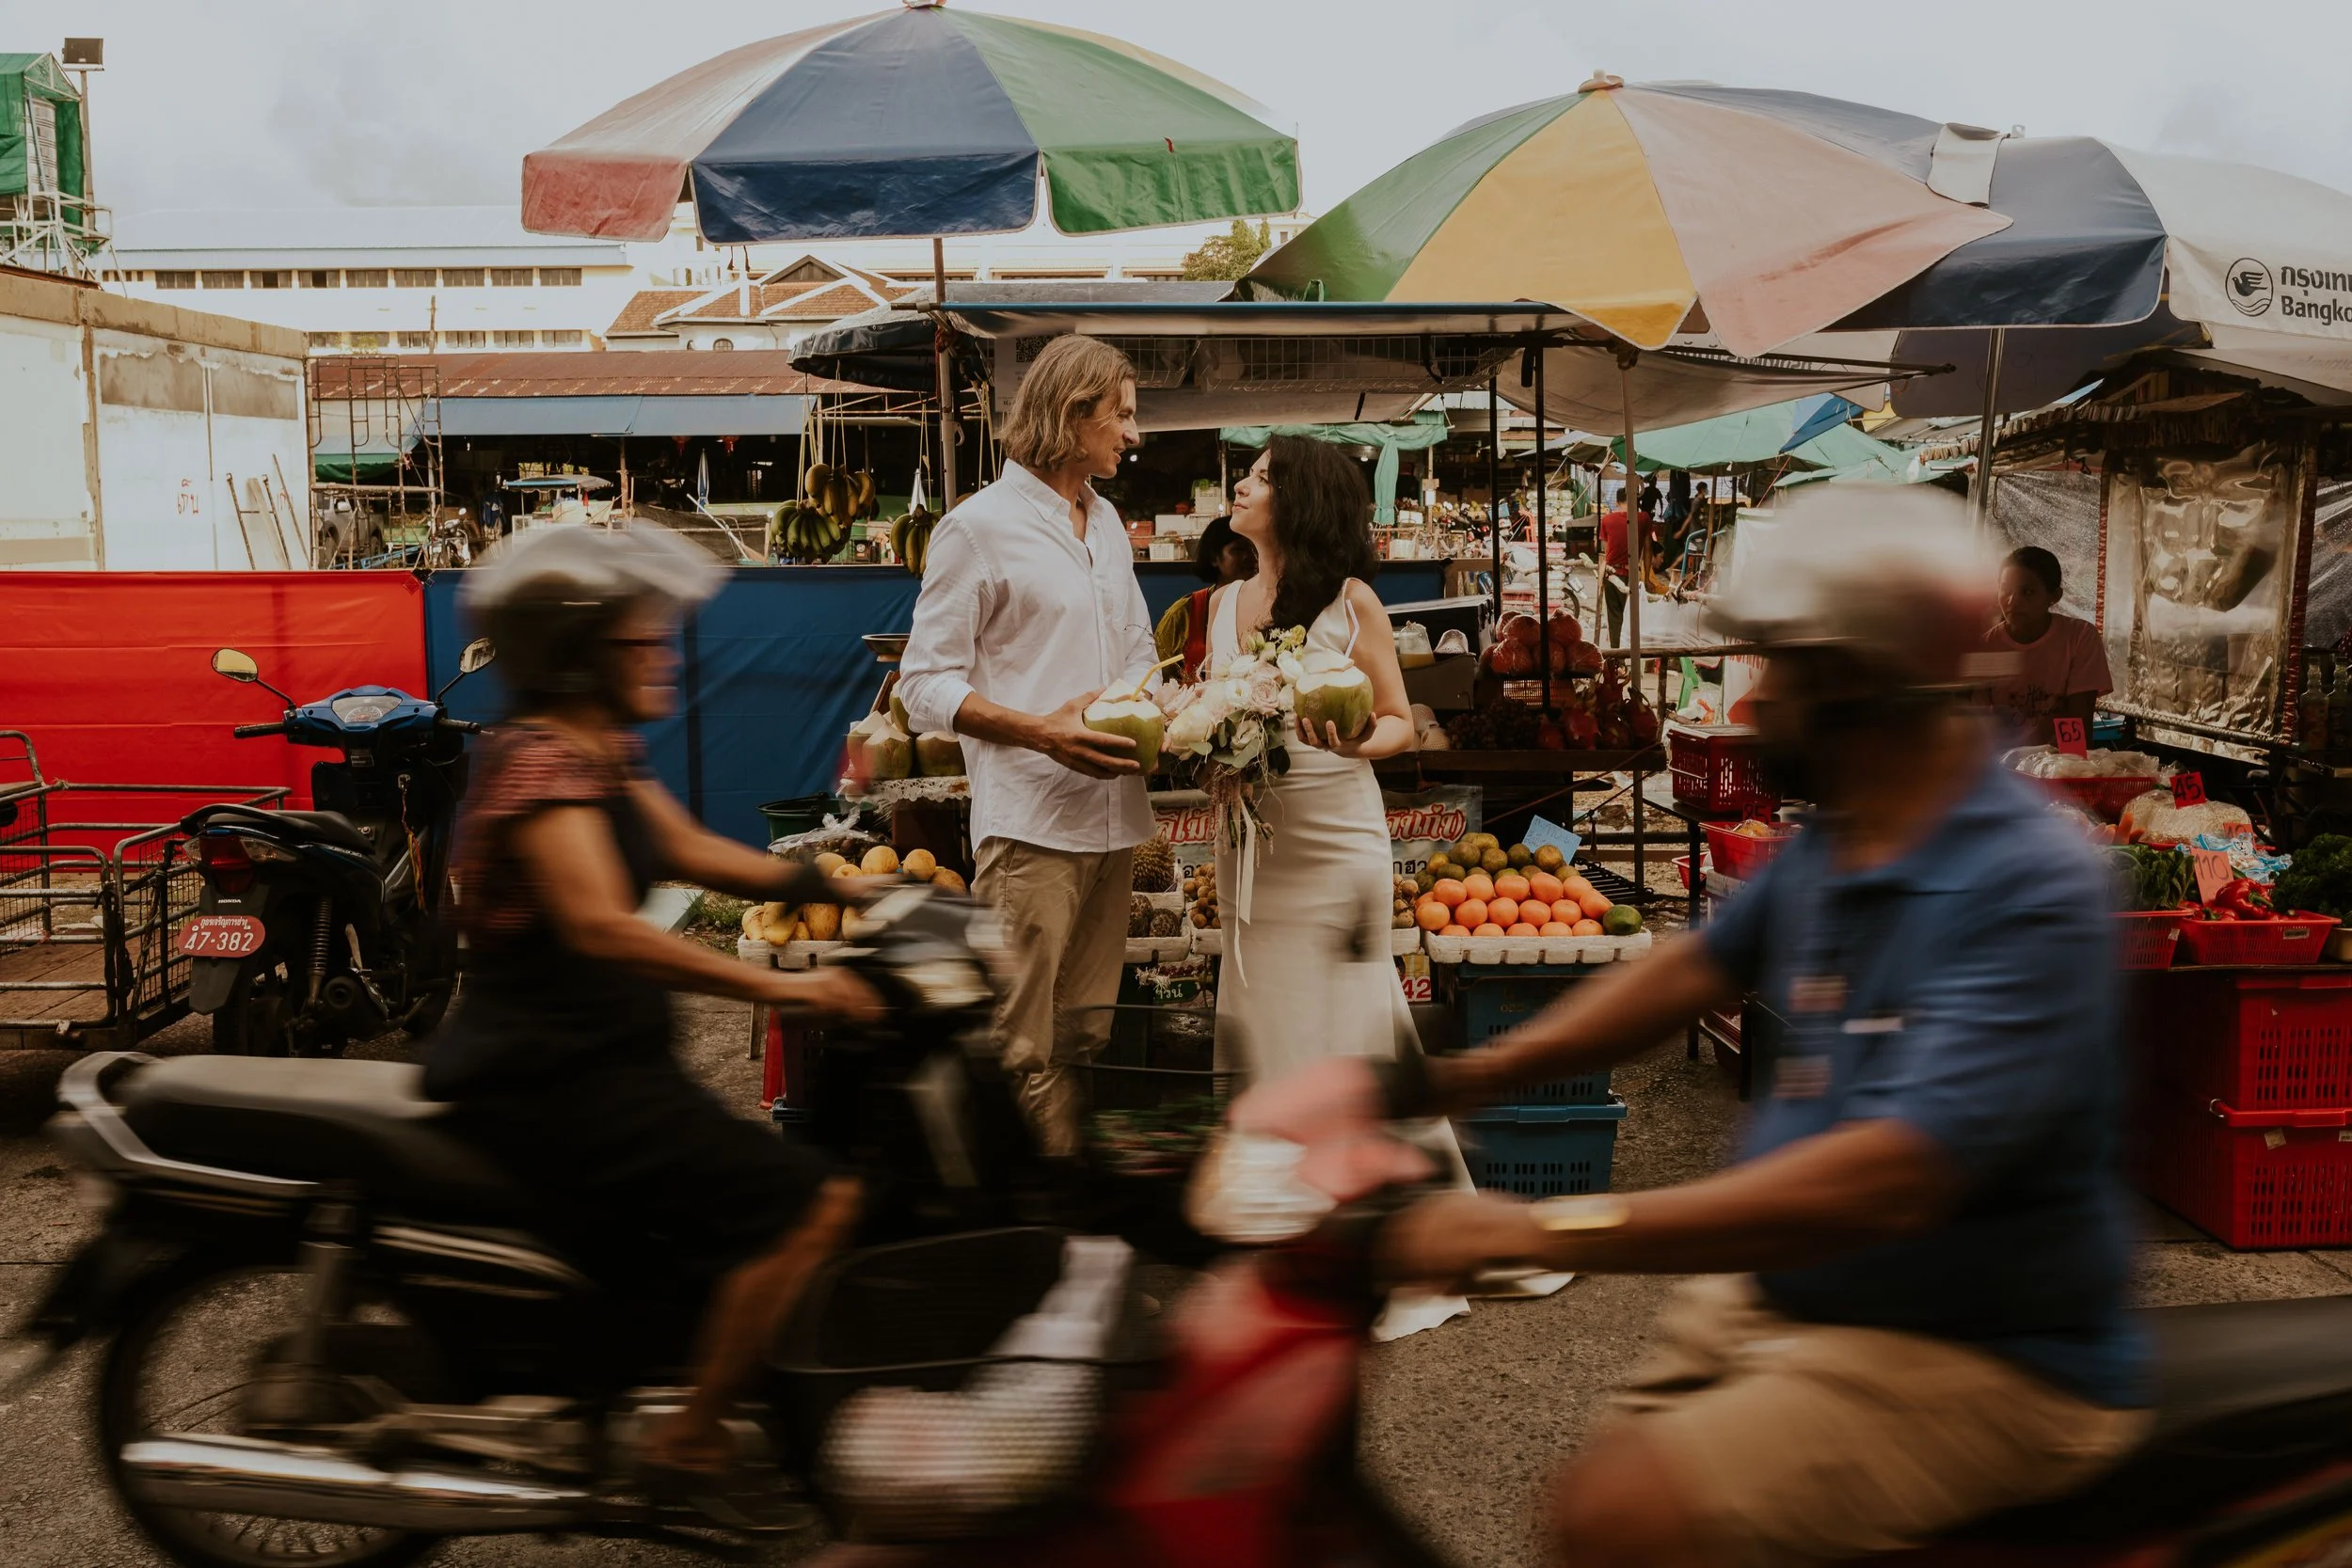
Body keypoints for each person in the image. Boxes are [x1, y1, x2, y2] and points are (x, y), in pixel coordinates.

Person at [1379, 485, 2149, 1565]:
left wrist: (1538, 1227)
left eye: (1783, 666)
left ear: (1860, 683)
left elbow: (1888, 1176)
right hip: (1805, 1294)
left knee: (1621, 1509)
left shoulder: (2028, 883)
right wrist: (1449, 1080)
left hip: (1980, 1348)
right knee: (1605, 1481)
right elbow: (1693, 968)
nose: (1753, 699)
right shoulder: (1848, 835)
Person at [421, 524, 882, 1488]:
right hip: (552, 1074)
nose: (661, 657)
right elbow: (603, 927)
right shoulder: (542, 765)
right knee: (811, 1199)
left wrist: (848, 889)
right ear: (576, 656)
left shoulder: (594, 746)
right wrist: (784, 985)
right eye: (638, 643)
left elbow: (682, 847)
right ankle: (692, 1436)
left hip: (601, 1059)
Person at [898, 335, 1157, 1157]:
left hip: (1114, 820)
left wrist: (1181, 712)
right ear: (1073, 413)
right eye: (1121, 414)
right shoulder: (977, 529)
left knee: (1081, 1041)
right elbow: (922, 687)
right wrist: (1041, 731)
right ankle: (1014, 1245)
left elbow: (1139, 651)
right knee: (1018, 1046)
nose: (1132, 433)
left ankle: (1063, 1228)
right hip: (1033, 827)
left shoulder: (1107, 521)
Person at [1210, 436, 1416, 1079]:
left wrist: (1358, 742)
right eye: (1246, 474)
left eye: (1262, 477)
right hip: (1250, 853)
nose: (1242, 486)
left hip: (1336, 844)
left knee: (1345, 1020)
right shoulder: (1220, 604)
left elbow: (1400, 724)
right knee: (1262, 1016)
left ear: (1300, 500)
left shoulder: (1351, 601)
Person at [1982, 544, 2111, 743]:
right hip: (2001, 767)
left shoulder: (2080, 638)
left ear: (2054, 596)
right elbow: (1976, 727)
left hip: (2055, 763)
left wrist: (2060, 767)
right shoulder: (1986, 646)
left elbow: (2077, 725)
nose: (2012, 601)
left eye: (2028, 592)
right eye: (2006, 589)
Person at [1154, 512, 1259, 681]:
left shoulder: (1271, 607)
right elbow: (1158, 677)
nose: (1252, 557)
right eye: (1240, 549)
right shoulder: (1183, 614)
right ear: (1214, 558)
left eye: (1255, 548)